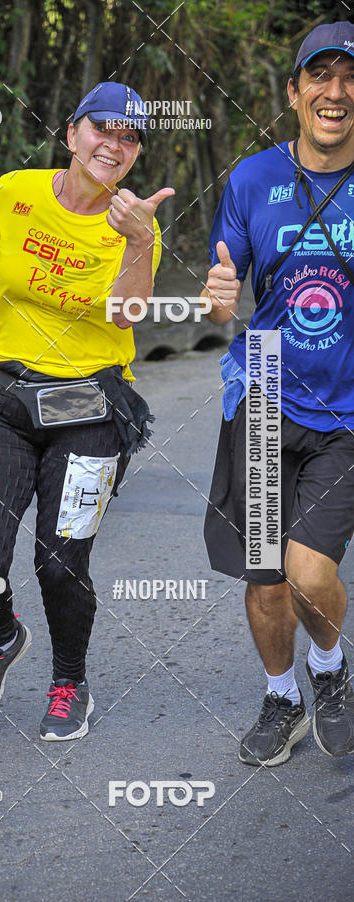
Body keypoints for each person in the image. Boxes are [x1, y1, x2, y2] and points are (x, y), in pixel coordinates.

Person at [0, 81, 173, 740]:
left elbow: (127, 314)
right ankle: (2, 634)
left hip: (91, 410)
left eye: (130, 137)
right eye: (103, 130)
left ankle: (71, 681)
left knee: (62, 563)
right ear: (72, 134)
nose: (115, 145)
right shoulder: (15, 191)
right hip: (4, 400)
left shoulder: (133, 223)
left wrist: (142, 244)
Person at [202, 22, 354, 765]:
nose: (336, 92)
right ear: (294, 93)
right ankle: (281, 696)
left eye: (349, 77)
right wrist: (218, 297)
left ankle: (328, 669)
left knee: (307, 570)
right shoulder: (250, 179)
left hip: (348, 413)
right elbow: (221, 306)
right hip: (262, 396)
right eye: (319, 77)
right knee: (264, 580)